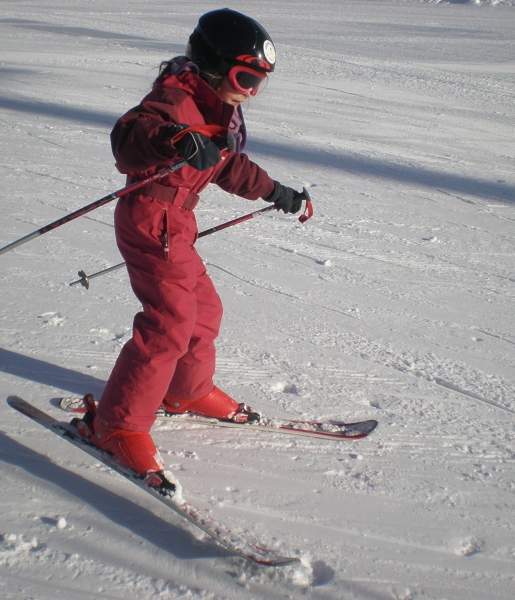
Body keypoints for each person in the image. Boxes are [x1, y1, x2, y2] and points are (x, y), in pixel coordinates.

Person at [73, 9, 307, 496]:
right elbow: (128, 138)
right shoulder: (175, 99)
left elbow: (227, 166)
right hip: (149, 219)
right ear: (213, 67)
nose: (249, 92)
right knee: (169, 323)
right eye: (245, 78)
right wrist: (172, 138)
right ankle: (115, 424)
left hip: (177, 223)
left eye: (259, 83)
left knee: (203, 312)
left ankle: (186, 390)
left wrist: (276, 192)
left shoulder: (216, 106)